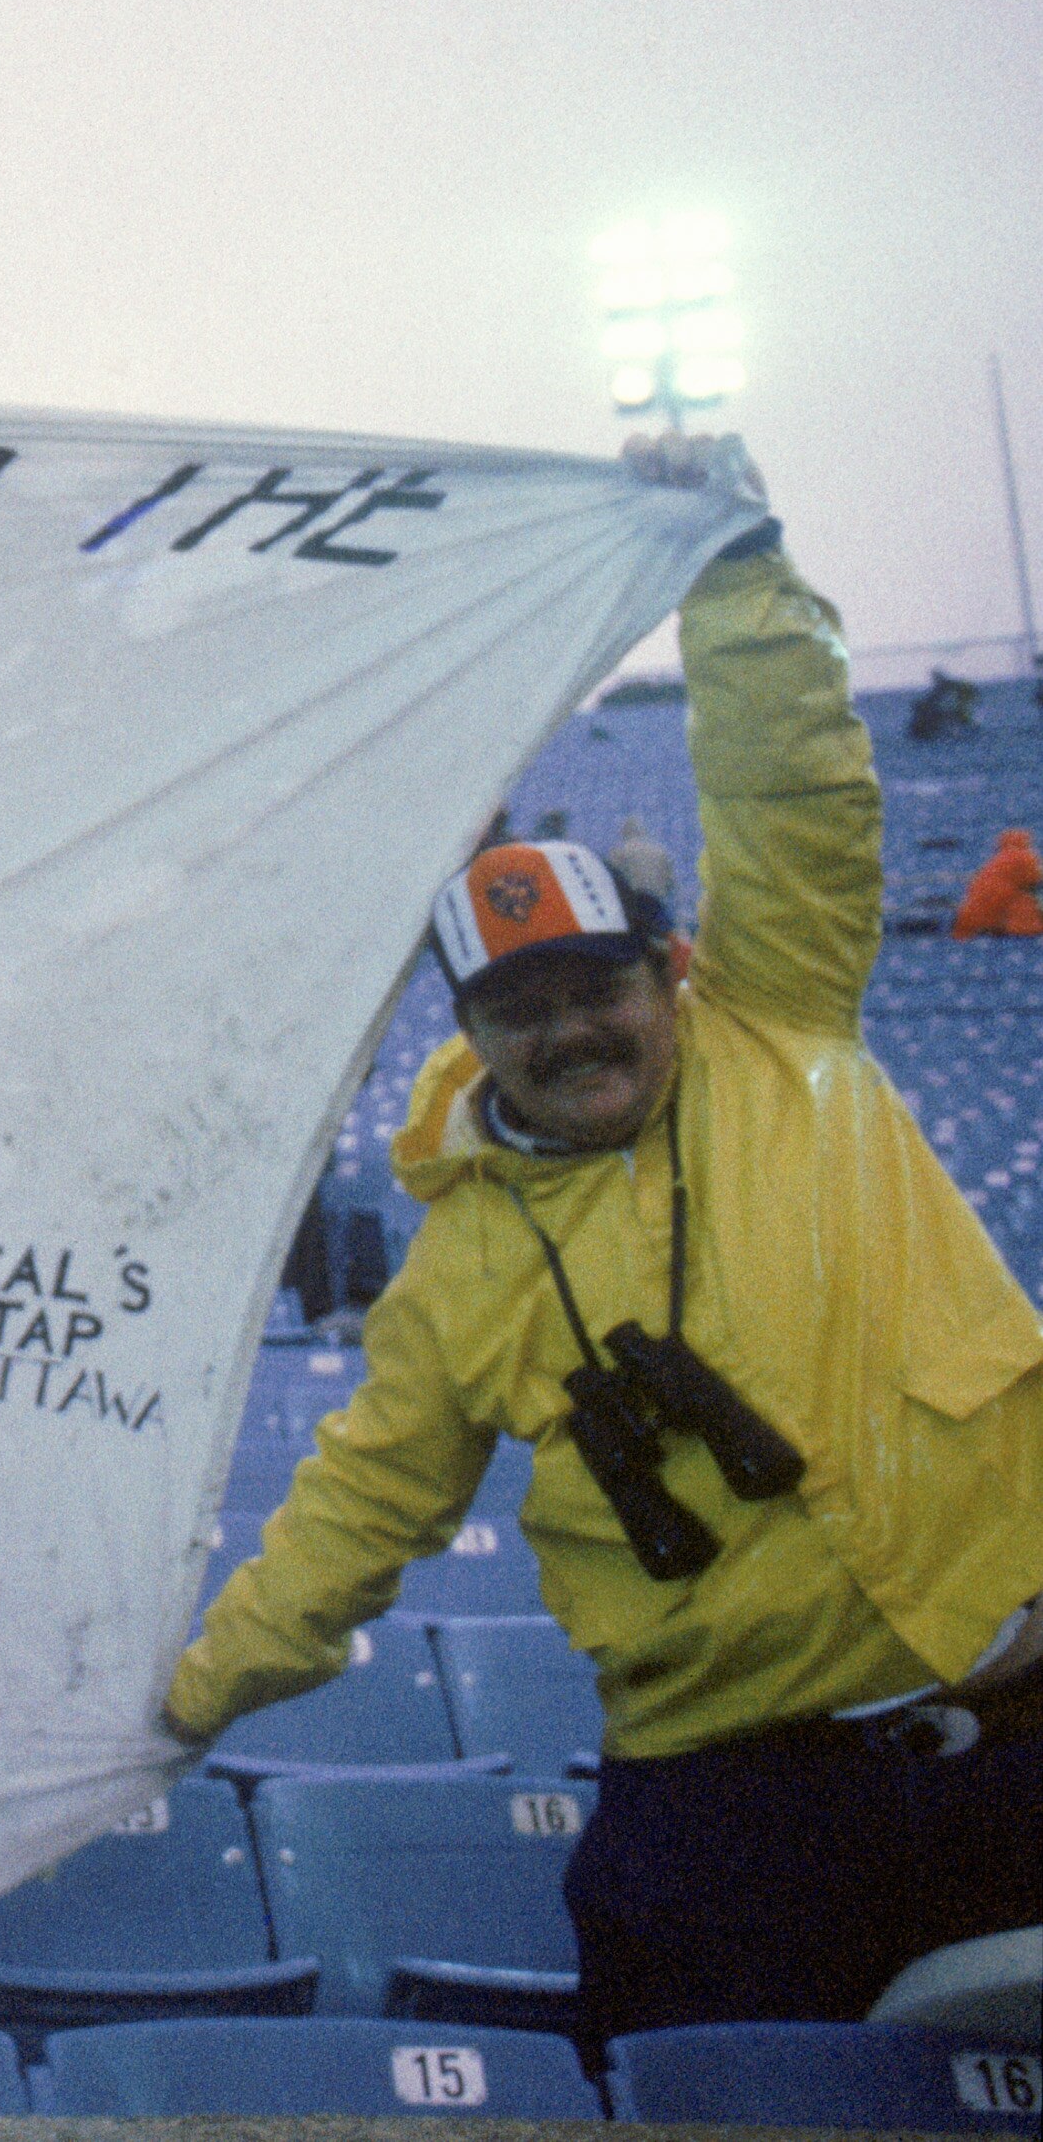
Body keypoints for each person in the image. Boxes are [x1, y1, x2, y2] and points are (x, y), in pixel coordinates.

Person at [165, 433, 1043, 2045]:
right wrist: (180, 1700)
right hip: (728, 1788)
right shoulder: (452, 1276)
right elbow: (354, 1513)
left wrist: (728, 562)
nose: (571, 1029)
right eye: (520, 1009)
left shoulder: (787, 1028)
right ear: (473, 1034)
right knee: (676, 2066)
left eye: (597, 984)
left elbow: (794, 787)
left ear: (668, 970)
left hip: (1020, 1713)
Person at [951, 828, 1042, 939]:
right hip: (1003, 912)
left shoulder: (995, 861)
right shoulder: (1025, 857)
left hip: (971, 916)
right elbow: (1036, 880)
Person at [605, 811, 675, 912]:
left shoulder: (619, 853)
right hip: (658, 905)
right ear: (643, 831)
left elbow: (611, 882)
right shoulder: (660, 852)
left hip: (633, 907)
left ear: (624, 832)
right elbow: (670, 884)